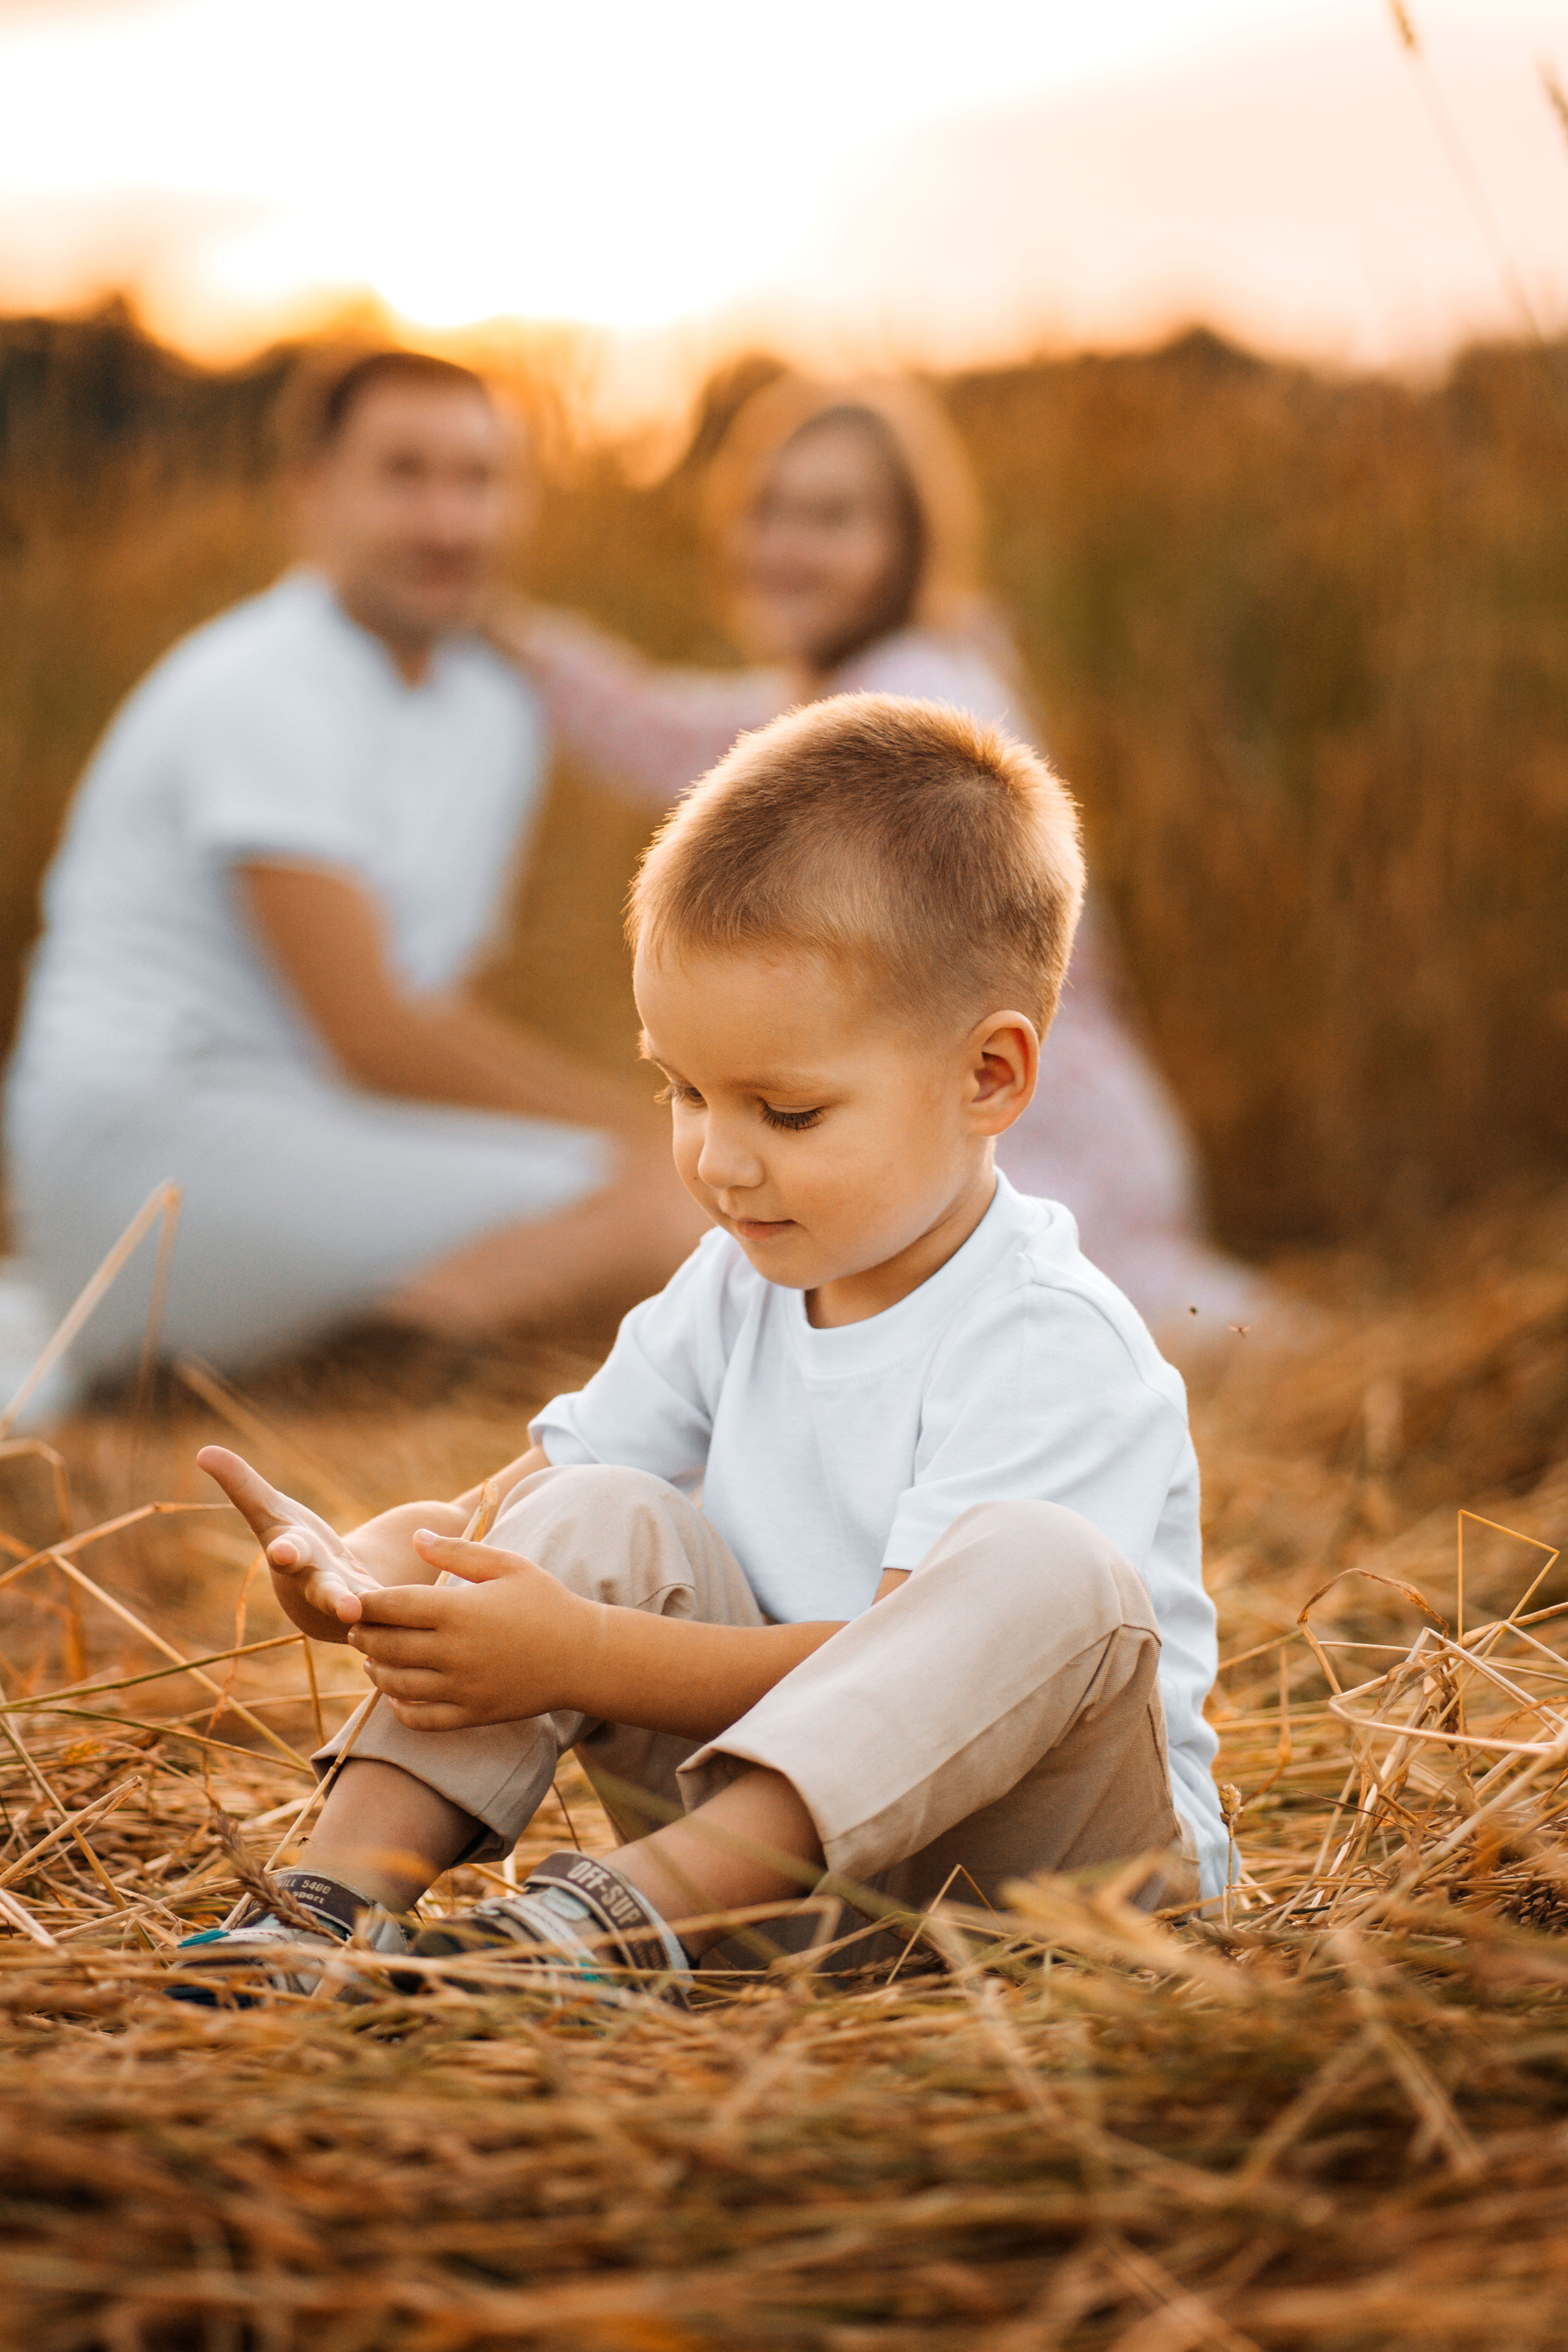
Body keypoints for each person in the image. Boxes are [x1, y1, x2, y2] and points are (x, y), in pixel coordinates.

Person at [176, 692, 1223, 2007]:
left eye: (785, 1111)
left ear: (989, 1079)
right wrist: (386, 1568)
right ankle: (324, 1906)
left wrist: (583, 1658)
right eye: (680, 1090)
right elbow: (528, 1517)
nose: (718, 1162)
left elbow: (915, 1672)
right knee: (597, 1509)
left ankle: (608, 1924)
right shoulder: (732, 1287)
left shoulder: (1048, 1339)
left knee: (1047, 1570)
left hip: (1045, 1911)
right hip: (780, 1910)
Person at [500, 372, 1273, 1355]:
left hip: (1027, 1134)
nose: (786, 547)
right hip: (998, 1118)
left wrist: (518, 646)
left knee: (1144, 1343)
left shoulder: (912, 700)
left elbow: (712, 747)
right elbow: (673, 726)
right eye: (768, 512)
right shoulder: (868, 682)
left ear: (904, 544)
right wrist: (520, 647)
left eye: (832, 517)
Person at [3, 349, 706, 1388]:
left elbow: (435, 1000)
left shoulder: (493, 707)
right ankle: (320, 1385)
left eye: (477, 480)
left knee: (681, 1211)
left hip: (311, 1135)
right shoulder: (262, 683)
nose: (447, 520)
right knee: (677, 1211)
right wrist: (668, 1134)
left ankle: (364, 1352)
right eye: (404, 476)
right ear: (311, 495)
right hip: (146, 1145)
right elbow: (374, 1035)